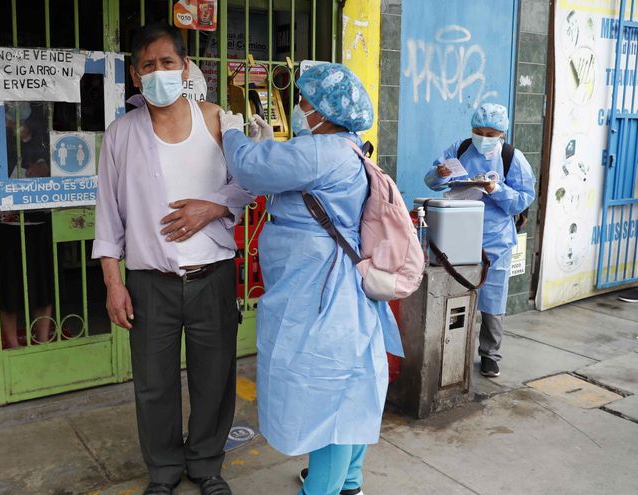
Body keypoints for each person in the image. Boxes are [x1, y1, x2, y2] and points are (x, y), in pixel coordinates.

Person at [219, 63, 404, 495]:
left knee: (330, 399)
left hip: (323, 291)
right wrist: (272, 147)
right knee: (352, 387)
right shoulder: (345, 147)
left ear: (323, 111)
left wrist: (230, 130)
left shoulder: (322, 152)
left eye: (303, 101)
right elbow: (288, 169)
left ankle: (321, 489)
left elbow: (249, 166)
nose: (298, 108)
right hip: (339, 289)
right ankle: (350, 481)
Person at [92, 23, 254, 495]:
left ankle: (206, 464)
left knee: (215, 378)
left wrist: (215, 205)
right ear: (136, 76)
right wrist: (113, 283)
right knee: (153, 383)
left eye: (168, 62)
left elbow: (247, 183)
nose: (159, 72)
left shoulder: (217, 120)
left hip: (212, 275)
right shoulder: (121, 134)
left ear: (185, 67)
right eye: (148, 65)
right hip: (149, 282)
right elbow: (108, 216)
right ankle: (162, 471)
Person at [424, 103, 536, 377]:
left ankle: (490, 355)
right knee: (453, 290)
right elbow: (432, 180)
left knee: (493, 297)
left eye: (491, 132)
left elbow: (523, 199)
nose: (483, 137)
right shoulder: (459, 150)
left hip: (494, 237)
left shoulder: (512, 158)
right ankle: (449, 350)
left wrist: (495, 188)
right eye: (478, 131)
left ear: (502, 133)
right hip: (456, 232)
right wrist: (438, 175)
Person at [0, 102, 54, 348]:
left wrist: (26, 135)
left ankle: (42, 340)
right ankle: (13, 345)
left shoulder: (40, 132)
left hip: (38, 217)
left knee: (43, 283)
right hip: (6, 222)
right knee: (9, 288)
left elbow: (48, 165)